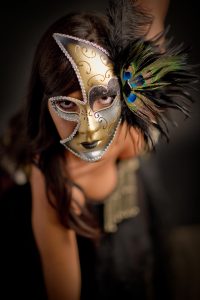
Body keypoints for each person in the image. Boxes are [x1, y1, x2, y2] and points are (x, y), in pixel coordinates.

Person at [0, 0, 197, 299]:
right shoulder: (50, 177)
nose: (90, 129)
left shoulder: (130, 130)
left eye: (103, 98)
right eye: (67, 104)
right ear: (45, 104)